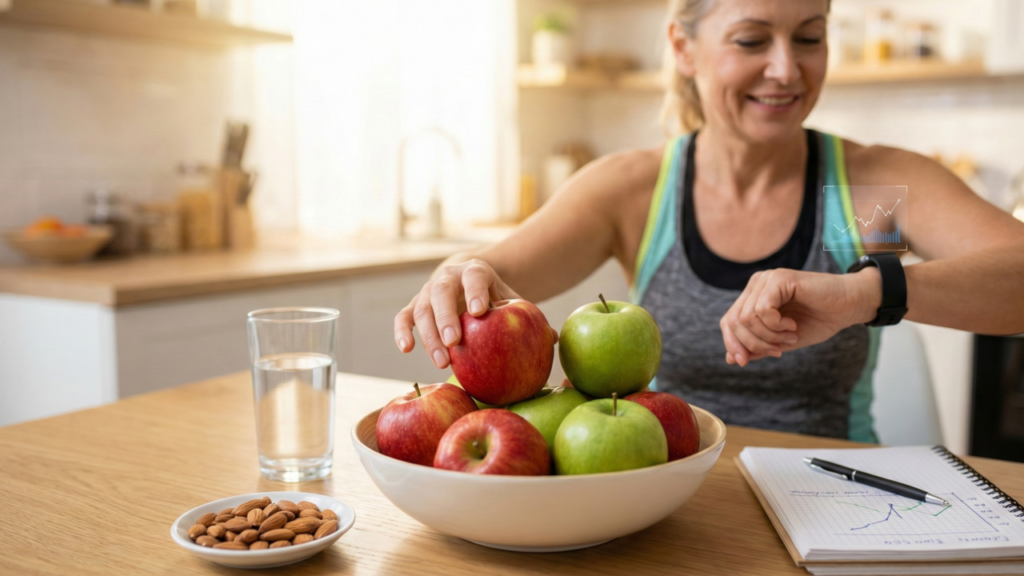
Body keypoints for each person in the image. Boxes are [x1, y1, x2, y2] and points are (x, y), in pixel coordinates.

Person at [393, 0, 1024, 440]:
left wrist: (864, 291)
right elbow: (491, 269)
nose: (787, 69)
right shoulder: (636, 192)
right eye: (752, 40)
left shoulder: (864, 192)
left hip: (839, 501)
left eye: (810, 37)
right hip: (673, 497)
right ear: (683, 47)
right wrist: (460, 271)